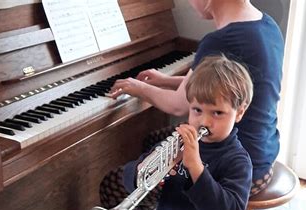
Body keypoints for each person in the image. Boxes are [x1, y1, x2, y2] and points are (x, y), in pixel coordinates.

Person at [110, 0, 284, 195]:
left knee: (114, 184)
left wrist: (137, 87)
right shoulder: (267, 25)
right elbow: (219, 87)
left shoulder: (221, 40)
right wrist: (167, 81)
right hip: (262, 154)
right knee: (153, 140)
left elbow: (178, 106)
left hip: (234, 172)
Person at [101, 55, 254, 210]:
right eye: (197, 110)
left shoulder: (237, 160)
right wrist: (144, 170)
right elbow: (133, 178)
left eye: (217, 113)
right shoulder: (178, 143)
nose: (204, 121)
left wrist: (195, 167)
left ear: (239, 112)